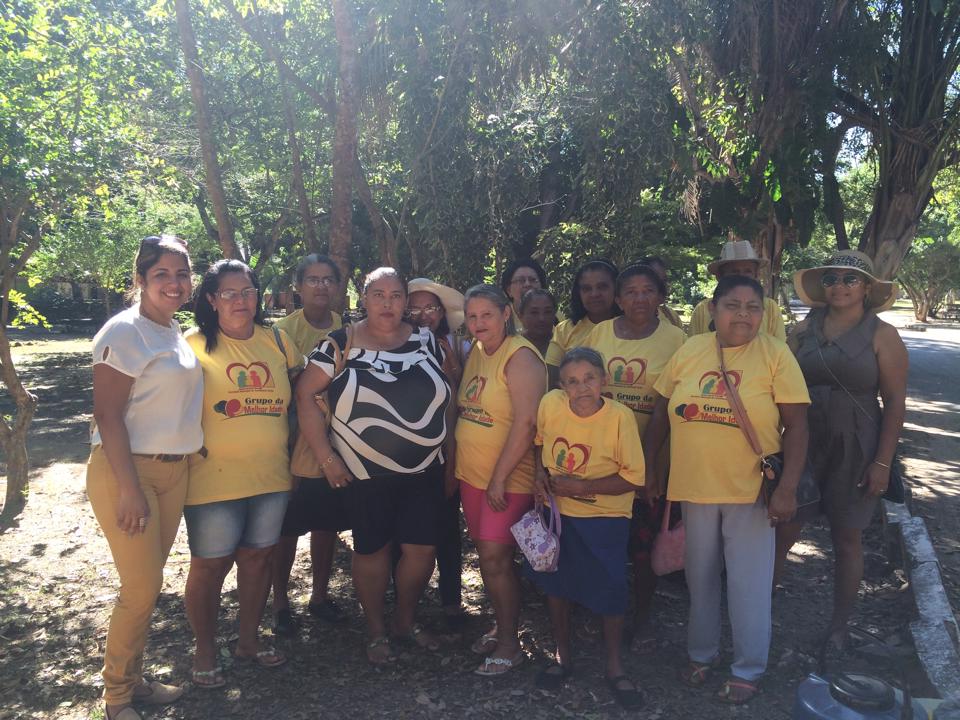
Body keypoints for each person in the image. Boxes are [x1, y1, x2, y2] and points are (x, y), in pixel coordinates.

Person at [643, 275, 810, 704]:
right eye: (733, 305)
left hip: (750, 492)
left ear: (764, 314)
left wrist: (788, 487)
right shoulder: (691, 350)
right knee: (699, 580)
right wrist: (652, 469)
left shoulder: (776, 355)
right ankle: (701, 653)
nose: (743, 315)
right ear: (713, 310)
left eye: (753, 307)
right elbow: (661, 411)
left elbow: (797, 426)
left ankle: (748, 667)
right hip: (693, 487)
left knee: (747, 583)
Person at [295, 267, 452, 665]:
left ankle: (404, 621)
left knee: (422, 550)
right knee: (371, 549)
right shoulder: (339, 343)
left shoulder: (428, 341)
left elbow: (450, 400)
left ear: (405, 301)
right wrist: (327, 459)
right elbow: (305, 396)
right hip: (364, 474)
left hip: (425, 471)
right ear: (363, 298)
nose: (387, 303)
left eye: (396, 295)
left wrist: (451, 458)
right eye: (378, 295)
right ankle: (376, 630)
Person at [87, 235, 202, 720]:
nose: (174, 283)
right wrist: (130, 488)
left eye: (182, 274)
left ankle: (133, 680)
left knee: (149, 585)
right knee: (140, 588)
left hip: (174, 471)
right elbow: (107, 416)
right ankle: (116, 697)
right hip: (128, 472)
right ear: (140, 280)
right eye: (162, 275)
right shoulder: (124, 332)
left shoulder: (172, 330)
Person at [776, 251, 907, 650]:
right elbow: (778, 380)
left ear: (867, 288)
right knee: (782, 527)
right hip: (804, 438)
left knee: (847, 537)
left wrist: (882, 462)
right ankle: (756, 612)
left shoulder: (883, 335)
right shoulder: (802, 329)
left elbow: (895, 403)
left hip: (857, 444)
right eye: (831, 279)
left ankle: (838, 626)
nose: (839, 286)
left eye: (850, 279)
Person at [184, 260, 303, 687]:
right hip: (211, 479)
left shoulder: (278, 341)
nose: (240, 301)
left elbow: (304, 396)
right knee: (210, 565)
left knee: (258, 559)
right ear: (211, 300)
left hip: (271, 476)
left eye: (248, 292)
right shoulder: (191, 345)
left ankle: (249, 641)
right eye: (229, 293)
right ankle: (205, 650)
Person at [526, 348, 646, 710]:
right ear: (562, 386)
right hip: (558, 514)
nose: (582, 388)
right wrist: (539, 475)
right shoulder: (550, 404)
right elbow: (539, 445)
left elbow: (634, 478)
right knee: (557, 585)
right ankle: (563, 655)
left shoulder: (620, 418)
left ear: (604, 380)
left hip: (605, 517)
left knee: (611, 588)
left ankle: (614, 666)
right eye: (572, 382)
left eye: (589, 378)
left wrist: (583, 487)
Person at [583, 263, 686, 651]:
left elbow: (668, 406)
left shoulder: (677, 339)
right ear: (618, 298)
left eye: (648, 291)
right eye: (630, 291)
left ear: (660, 296)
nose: (639, 298)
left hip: (652, 461)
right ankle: (600, 611)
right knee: (601, 541)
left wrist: (650, 465)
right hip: (599, 458)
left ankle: (642, 617)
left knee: (644, 547)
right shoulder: (600, 333)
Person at [456, 284, 546, 675]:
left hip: (507, 480)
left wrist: (498, 478)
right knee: (489, 559)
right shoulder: (477, 351)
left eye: (487, 315)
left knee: (496, 559)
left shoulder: (520, 357)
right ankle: (501, 626)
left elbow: (527, 424)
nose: (479, 323)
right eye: (472, 317)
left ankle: (511, 644)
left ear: (506, 314)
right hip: (473, 477)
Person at [271, 254, 348, 634]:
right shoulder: (280, 332)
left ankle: (319, 595)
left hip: (335, 443)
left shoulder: (347, 329)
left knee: (326, 524)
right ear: (298, 287)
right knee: (286, 528)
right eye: (313, 279)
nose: (321, 286)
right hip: (289, 443)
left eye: (328, 279)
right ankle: (280, 602)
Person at [406, 277, 468, 629]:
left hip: (445, 450)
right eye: (414, 308)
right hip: (402, 455)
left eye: (430, 307)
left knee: (446, 528)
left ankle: (451, 600)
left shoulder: (456, 346)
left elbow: (461, 405)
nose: (422, 315)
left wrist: (455, 374)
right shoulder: (391, 344)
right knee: (404, 532)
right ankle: (405, 603)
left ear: (442, 313)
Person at [688, 240, 786, 341]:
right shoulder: (702, 310)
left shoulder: (770, 308)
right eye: (734, 272)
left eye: (747, 271)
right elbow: (693, 346)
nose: (741, 277)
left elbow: (779, 344)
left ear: (757, 275)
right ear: (719, 276)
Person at [550, 259, 620, 359]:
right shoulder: (564, 330)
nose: (594, 294)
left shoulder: (633, 327)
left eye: (602, 287)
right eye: (587, 289)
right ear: (578, 293)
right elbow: (551, 368)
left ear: (616, 289)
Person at [517, 287, 561, 387]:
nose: (541, 318)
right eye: (534, 312)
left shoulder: (563, 344)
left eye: (547, 312)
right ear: (520, 316)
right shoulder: (511, 346)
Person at [499, 258, 548, 332]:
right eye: (521, 280)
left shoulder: (554, 316)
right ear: (509, 291)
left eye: (533, 280)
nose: (527, 284)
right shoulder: (500, 319)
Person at [640, 256, 684, 330]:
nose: (662, 286)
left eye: (664, 280)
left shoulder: (671, 317)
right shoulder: (622, 323)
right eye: (656, 280)